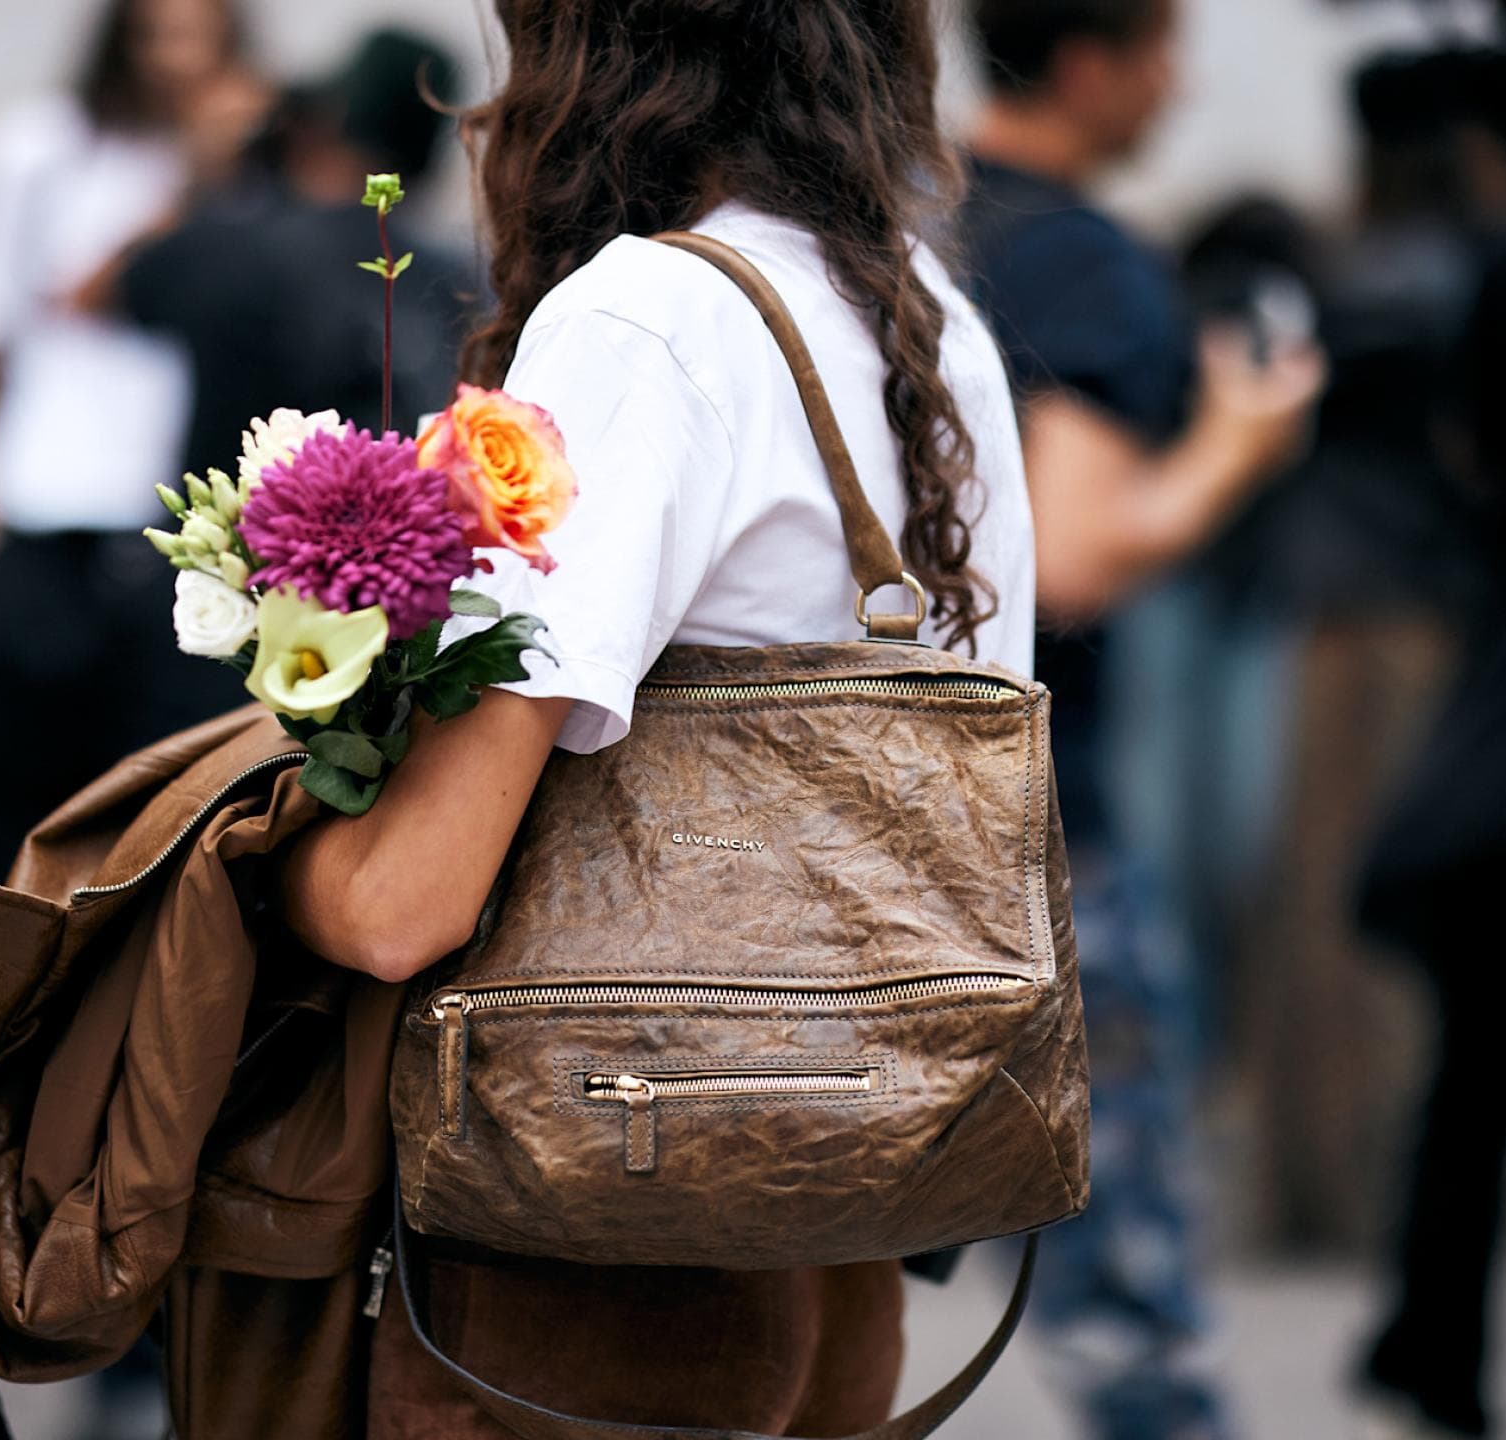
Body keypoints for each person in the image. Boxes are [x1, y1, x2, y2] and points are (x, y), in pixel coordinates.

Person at [272, 0, 1037, 1431]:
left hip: (606, 1220)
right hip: (840, 1229)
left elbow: (400, 909)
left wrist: (254, 863)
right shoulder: (926, 319)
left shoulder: (649, 315)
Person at [954, 1, 1325, 1436]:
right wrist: (1237, 448)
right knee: (1140, 1328)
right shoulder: (1079, 259)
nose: (1179, 84)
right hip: (1053, 841)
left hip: (877, 817)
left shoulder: (911, 222)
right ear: (1094, 59)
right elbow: (1080, 556)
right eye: (1166, 48)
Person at [0, 0, 267, 876]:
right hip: (49, 523)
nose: (175, 56)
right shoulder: (43, 148)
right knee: (15, 828)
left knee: (175, 842)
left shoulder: (259, 166)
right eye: (157, 30)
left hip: (199, 546)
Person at [1352, 203, 1506, 1440]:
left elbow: (1474, 455)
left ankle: (1433, 1345)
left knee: (1478, 1081)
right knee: (1481, 1080)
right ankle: (1429, 1343)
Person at [78, 27, 473, 470]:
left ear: (322, 125)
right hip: (394, 530)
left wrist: (200, 173)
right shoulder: (458, 279)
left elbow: (90, 299)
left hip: (237, 531)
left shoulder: (231, 248)